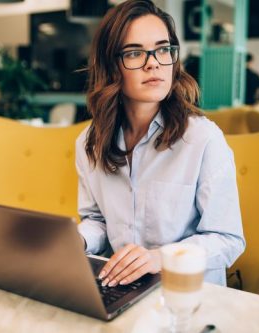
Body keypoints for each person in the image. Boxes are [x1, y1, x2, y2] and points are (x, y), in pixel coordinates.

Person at [76, 0, 245, 287]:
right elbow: (98, 220)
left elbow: (227, 239)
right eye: (134, 52)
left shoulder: (203, 139)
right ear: (110, 65)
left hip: (188, 294)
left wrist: (161, 258)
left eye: (163, 49)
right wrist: (77, 241)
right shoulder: (89, 142)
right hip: (124, 287)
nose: (153, 62)